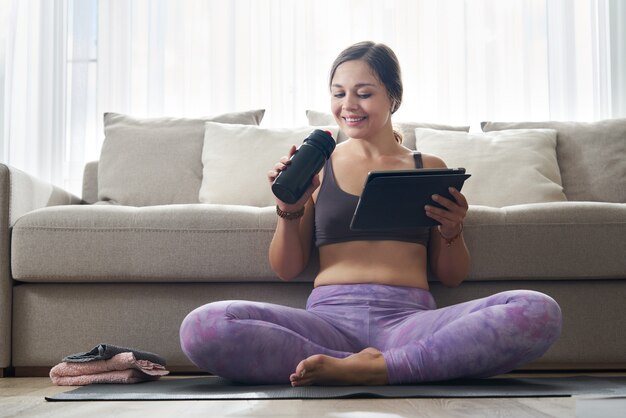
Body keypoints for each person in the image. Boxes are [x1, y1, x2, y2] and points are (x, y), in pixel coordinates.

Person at [179, 41, 562, 386]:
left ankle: (361, 368)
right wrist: (289, 208)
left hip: (409, 322)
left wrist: (452, 228)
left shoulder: (426, 166)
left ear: (393, 98)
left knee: (537, 310)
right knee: (203, 326)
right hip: (327, 323)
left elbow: (451, 276)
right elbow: (287, 268)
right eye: (339, 93)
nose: (349, 105)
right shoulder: (318, 166)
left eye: (364, 93)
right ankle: (378, 366)